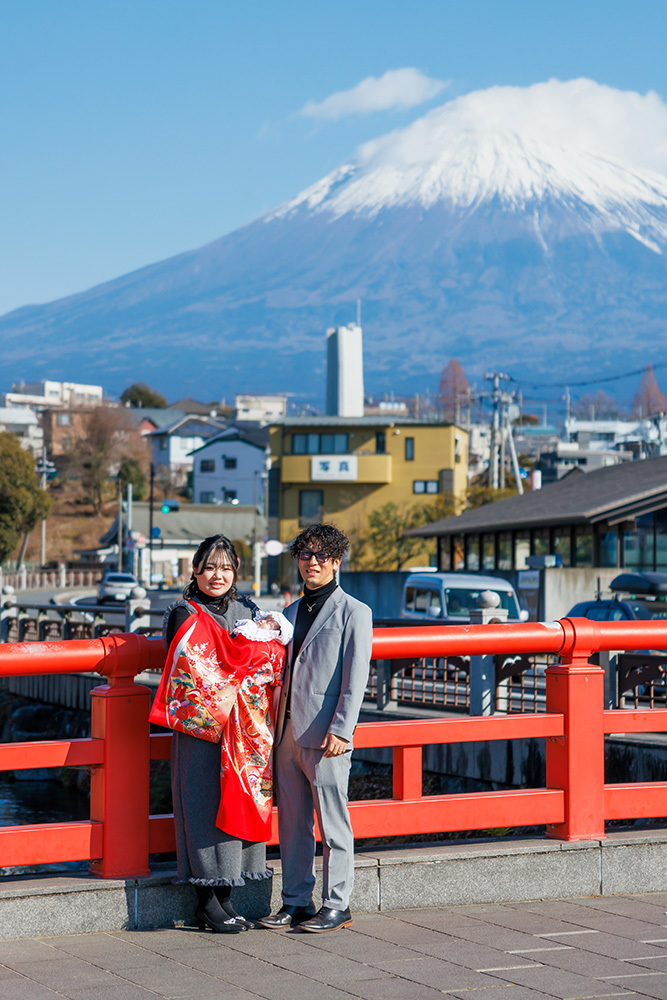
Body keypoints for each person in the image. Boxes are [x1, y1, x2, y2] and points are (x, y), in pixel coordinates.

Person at [162, 534, 283, 934]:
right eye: (210, 567)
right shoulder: (185, 613)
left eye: (226, 568)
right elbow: (202, 673)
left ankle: (228, 897)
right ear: (195, 570)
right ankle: (206, 901)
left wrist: (250, 658)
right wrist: (250, 656)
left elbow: (272, 657)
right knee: (204, 806)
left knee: (241, 800)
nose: (218, 575)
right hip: (203, 731)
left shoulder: (247, 609)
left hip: (244, 733)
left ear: (236, 573)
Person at [259, 523, 373, 934]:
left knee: (332, 821)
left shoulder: (354, 612)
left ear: (337, 561)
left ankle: (338, 904)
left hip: (327, 735)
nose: (312, 562)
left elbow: (355, 677)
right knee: (292, 823)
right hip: (286, 732)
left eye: (321, 555)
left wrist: (344, 729)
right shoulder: (287, 614)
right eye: (305, 555)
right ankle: (295, 901)